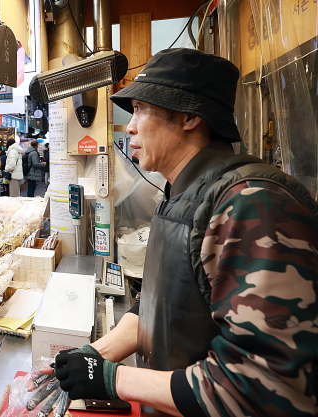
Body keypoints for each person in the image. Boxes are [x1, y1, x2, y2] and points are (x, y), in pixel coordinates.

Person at [46, 49, 318, 416]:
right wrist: (96, 354)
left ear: (190, 116)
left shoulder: (251, 205)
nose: (130, 125)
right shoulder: (180, 193)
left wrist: (114, 379)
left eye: (141, 109)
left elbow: (261, 386)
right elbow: (160, 306)